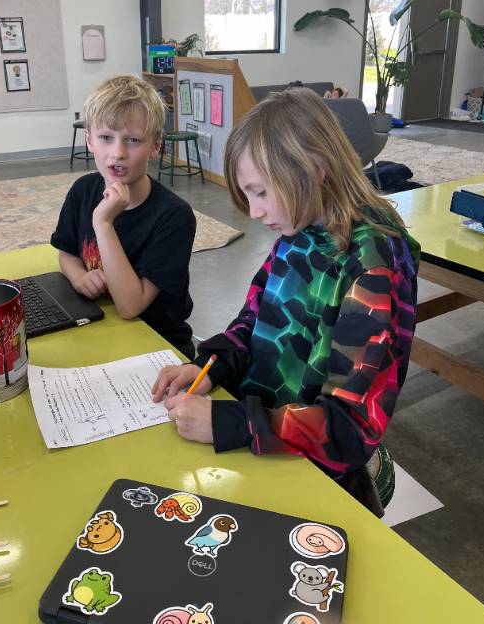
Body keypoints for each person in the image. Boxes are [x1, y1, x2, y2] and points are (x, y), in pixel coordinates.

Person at [152, 88, 420, 511]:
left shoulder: (373, 266)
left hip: (317, 475)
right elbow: (252, 322)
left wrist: (229, 423)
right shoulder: (300, 228)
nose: (253, 212)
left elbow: (350, 429)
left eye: (260, 192)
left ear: (314, 169)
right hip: (264, 443)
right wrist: (209, 367)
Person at [51, 75, 196, 358]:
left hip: (158, 346)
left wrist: (103, 223)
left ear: (156, 145)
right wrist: (79, 277)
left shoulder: (174, 217)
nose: (118, 153)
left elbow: (131, 307)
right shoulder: (82, 191)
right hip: (102, 330)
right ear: (89, 140)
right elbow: (67, 253)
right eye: (106, 138)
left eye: (133, 140)